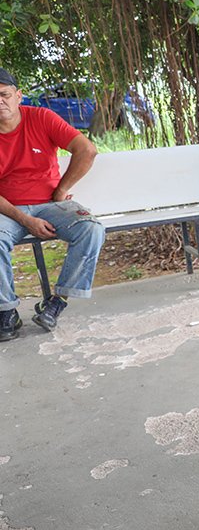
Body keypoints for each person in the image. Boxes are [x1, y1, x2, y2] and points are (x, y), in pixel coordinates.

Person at [0, 67, 106, 340]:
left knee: (91, 228)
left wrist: (62, 189)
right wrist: (26, 220)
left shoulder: (42, 118)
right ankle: (6, 311)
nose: (0, 102)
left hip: (50, 204)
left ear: (18, 96)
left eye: (5, 95)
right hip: (7, 210)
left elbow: (87, 149)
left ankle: (56, 302)